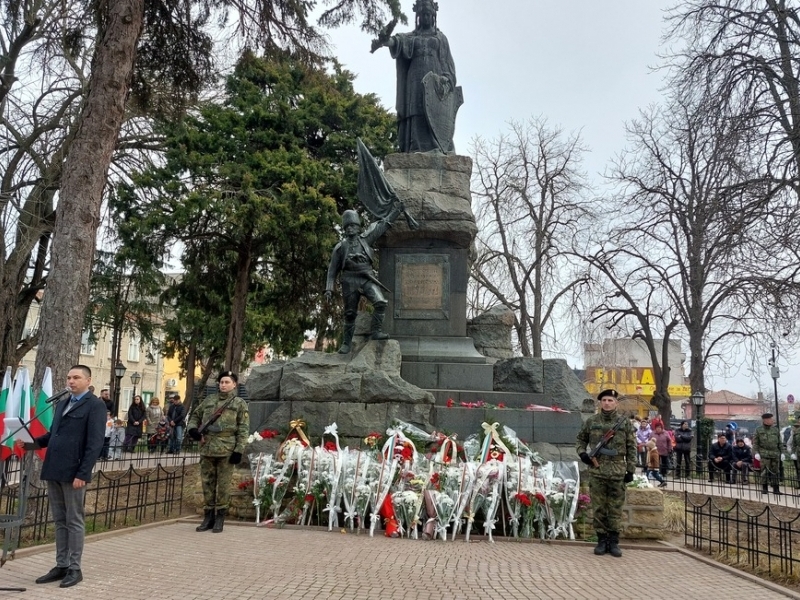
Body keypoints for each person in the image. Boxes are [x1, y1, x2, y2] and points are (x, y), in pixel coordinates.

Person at [18, 365, 105, 588]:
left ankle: (75, 569)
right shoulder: (63, 403)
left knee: (74, 520)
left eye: (76, 377)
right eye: (69, 377)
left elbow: (94, 443)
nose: (71, 381)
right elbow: (52, 435)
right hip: (54, 469)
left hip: (74, 471)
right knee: (59, 520)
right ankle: (61, 565)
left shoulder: (95, 405)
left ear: (88, 381)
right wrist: (29, 444)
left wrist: (83, 473)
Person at [371, 0, 459, 153]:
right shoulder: (411, 37)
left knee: (433, 111)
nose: (425, 17)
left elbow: (447, 63)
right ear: (418, 16)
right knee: (416, 109)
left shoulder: (441, 38)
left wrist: (447, 79)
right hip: (415, 79)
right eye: (422, 14)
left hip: (435, 79)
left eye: (428, 14)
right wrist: (386, 41)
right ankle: (416, 146)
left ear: (433, 16)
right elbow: (397, 42)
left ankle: (437, 146)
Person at [325, 208, 401, 354]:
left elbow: (383, 225)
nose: (350, 229)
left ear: (358, 227)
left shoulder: (366, 239)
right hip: (349, 280)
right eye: (347, 226)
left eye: (353, 225)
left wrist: (397, 210)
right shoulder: (340, 248)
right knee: (350, 313)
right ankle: (346, 343)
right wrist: (329, 288)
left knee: (380, 302)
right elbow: (332, 270)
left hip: (367, 278)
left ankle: (376, 332)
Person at [576, 389, 636, 558]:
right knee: (599, 508)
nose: (607, 403)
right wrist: (582, 454)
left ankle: (614, 542)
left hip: (617, 472)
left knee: (615, 509)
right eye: (604, 400)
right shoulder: (592, 421)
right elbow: (580, 439)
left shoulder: (624, 423)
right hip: (598, 472)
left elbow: (632, 447)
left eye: (610, 400)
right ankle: (602, 540)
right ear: (600, 403)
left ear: (616, 403)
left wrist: (630, 470)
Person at [187, 371, 249, 533]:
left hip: (226, 450)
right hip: (207, 448)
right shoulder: (209, 400)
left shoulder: (239, 403)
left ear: (234, 384)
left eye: (227, 382)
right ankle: (208, 517)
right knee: (207, 483)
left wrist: (238, 450)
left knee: (223, 485)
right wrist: (193, 430)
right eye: (221, 382)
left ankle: (220, 517)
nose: (223, 385)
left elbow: (243, 429)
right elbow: (195, 416)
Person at [753, 412, 785, 495]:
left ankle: (776, 488)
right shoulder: (758, 430)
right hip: (764, 454)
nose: (772, 420)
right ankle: (764, 488)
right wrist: (756, 453)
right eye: (770, 419)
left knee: (776, 471)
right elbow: (755, 443)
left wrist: (782, 452)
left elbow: (780, 442)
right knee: (764, 471)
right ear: (765, 420)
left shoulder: (775, 429)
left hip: (775, 453)